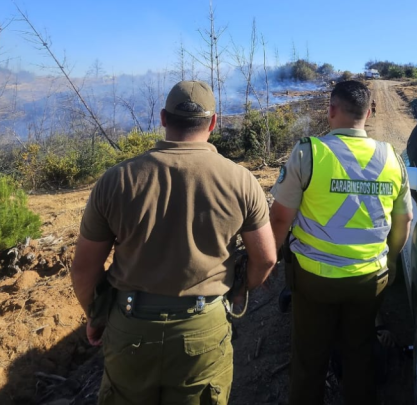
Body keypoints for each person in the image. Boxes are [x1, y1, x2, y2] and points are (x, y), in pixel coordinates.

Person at [70, 80, 277, 405]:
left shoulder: (117, 180)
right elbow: (265, 258)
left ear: (164, 118)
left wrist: (95, 316)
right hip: (203, 329)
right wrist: (239, 291)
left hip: (130, 327)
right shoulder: (241, 181)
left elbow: (83, 269)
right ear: (213, 122)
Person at [269, 80, 411, 405]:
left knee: (309, 357)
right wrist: (389, 263)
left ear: (331, 110)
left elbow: (279, 219)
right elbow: (404, 221)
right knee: (360, 351)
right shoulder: (392, 158)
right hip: (369, 279)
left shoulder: (309, 152)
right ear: (369, 113)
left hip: (314, 279)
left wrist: (270, 260)